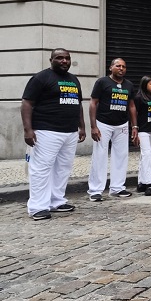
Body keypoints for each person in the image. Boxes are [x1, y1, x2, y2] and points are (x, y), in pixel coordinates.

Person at [21, 48, 86, 220]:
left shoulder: (74, 80)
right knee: (41, 169)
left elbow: (78, 104)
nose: (64, 61)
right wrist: (28, 130)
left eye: (67, 58)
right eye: (59, 58)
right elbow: (27, 103)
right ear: (51, 60)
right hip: (46, 130)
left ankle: (56, 201)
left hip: (70, 132)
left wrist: (82, 127)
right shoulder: (41, 78)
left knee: (63, 168)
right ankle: (37, 207)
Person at [87, 58, 138, 201]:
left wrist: (134, 126)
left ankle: (117, 188)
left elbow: (132, 106)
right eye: (118, 66)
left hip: (122, 125)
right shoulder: (102, 82)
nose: (121, 68)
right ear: (111, 68)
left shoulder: (128, 85)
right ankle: (95, 190)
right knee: (100, 156)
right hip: (103, 124)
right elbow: (93, 103)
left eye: (124, 66)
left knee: (121, 156)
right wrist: (93, 126)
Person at [134, 75, 151, 196]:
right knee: (146, 154)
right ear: (145, 84)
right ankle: (149, 183)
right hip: (143, 130)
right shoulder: (139, 98)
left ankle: (141, 182)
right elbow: (135, 113)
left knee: (147, 156)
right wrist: (135, 129)